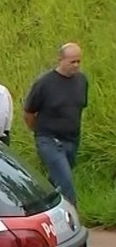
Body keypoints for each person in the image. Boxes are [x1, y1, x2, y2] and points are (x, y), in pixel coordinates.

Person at [24, 42, 88, 205]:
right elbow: (29, 112)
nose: (76, 65)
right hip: (49, 139)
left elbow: (79, 108)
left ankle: (39, 205)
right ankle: (73, 220)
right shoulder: (45, 83)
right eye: (72, 62)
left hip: (72, 139)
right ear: (60, 60)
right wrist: (39, 132)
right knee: (66, 182)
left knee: (55, 180)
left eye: (78, 61)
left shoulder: (81, 81)